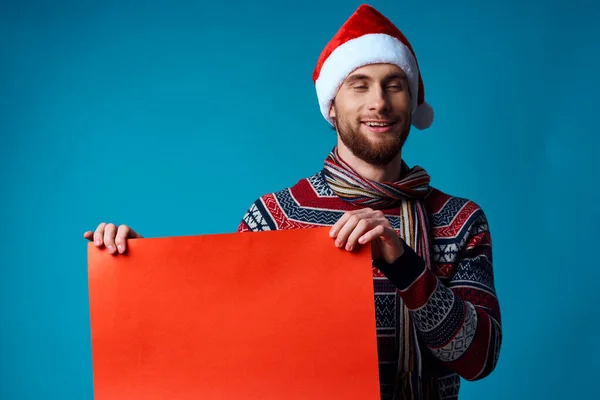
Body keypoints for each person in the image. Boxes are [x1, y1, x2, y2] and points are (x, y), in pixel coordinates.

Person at [84, 4, 502, 399]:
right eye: (360, 85)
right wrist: (139, 271)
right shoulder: (276, 217)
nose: (379, 101)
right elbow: (222, 341)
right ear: (332, 107)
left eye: (395, 86)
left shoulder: (458, 219)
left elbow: (479, 358)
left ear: (411, 104)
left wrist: (401, 261)